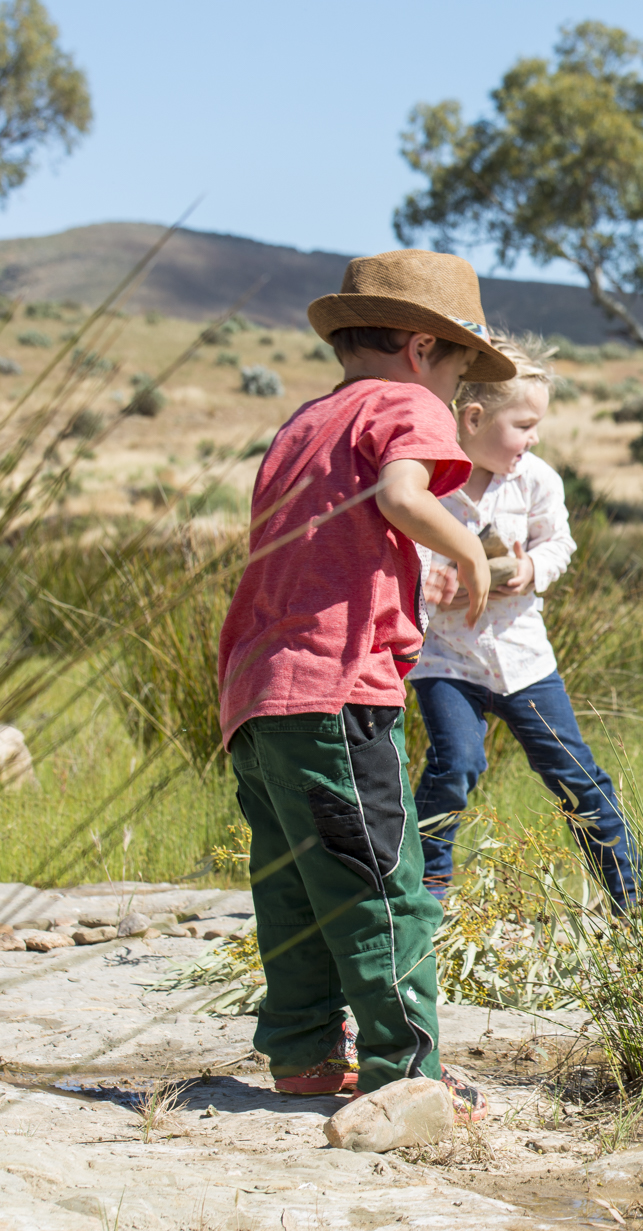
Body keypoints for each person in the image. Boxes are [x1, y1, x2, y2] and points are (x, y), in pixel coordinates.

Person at [215, 248, 514, 1113]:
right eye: (459, 369)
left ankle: (304, 1053)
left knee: (297, 886)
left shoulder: (305, 422)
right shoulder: (405, 402)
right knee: (384, 881)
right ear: (424, 349)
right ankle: (404, 1070)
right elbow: (400, 493)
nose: (457, 397)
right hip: (334, 687)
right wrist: (466, 547)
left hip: (256, 692)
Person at [411, 335, 641, 912]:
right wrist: (436, 583)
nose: (533, 438)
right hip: (445, 659)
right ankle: (426, 894)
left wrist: (532, 568)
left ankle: (630, 897)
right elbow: (405, 556)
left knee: (573, 773)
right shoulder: (425, 484)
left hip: (523, 659)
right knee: (455, 764)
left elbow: (559, 543)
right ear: (472, 417)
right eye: (523, 424)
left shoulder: (536, 479)